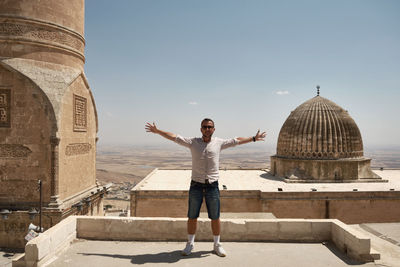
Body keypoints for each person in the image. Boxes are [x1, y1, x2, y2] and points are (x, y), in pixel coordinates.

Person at [145, 118, 266, 257]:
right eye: (205, 127)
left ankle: (217, 245)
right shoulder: (193, 142)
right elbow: (174, 137)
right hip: (196, 185)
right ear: (201, 129)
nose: (207, 129)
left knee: (215, 217)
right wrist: (157, 131)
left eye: (210, 127)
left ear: (214, 129)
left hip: (212, 186)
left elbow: (236, 140)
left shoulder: (219, 143)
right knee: (192, 216)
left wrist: (253, 138)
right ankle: (190, 244)